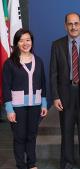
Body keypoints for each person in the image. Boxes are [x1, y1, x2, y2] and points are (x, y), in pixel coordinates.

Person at [50, 12, 80, 169]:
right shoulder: (57, 45)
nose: (73, 27)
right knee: (67, 132)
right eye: (70, 24)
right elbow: (53, 74)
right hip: (65, 95)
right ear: (65, 26)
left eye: (76, 23)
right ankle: (68, 163)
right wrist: (55, 97)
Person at [3, 28, 48, 169]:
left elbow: (43, 84)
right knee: (19, 136)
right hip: (17, 106)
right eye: (21, 40)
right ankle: (21, 165)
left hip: (35, 105)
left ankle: (31, 163)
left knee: (31, 135)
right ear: (16, 43)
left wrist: (44, 104)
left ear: (32, 42)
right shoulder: (10, 63)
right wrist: (9, 109)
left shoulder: (38, 61)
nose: (25, 43)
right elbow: (5, 87)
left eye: (28, 40)